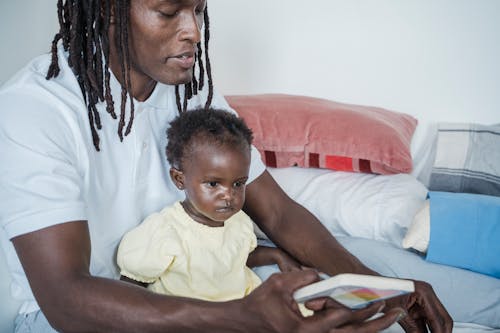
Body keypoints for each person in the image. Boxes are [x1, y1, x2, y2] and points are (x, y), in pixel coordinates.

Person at [0, 1, 452, 332]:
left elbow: (277, 212)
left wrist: (375, 286)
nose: (193, 31)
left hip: (190, 290)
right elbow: (64, 297)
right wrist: (239, 319)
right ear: (110, 13)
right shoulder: (35, 108)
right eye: (168, 12)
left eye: (197, 10)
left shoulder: (190, 93)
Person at [116, 108, 308, 310]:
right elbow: (131, 285)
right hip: (191, 319)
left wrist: (276, 255)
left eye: (238, 184)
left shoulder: (238, 222)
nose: (229, 195)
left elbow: (235, 257)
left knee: (301, 310)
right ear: (180, 179)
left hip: (241, 308)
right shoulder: (166, 231)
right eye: (213, 184)